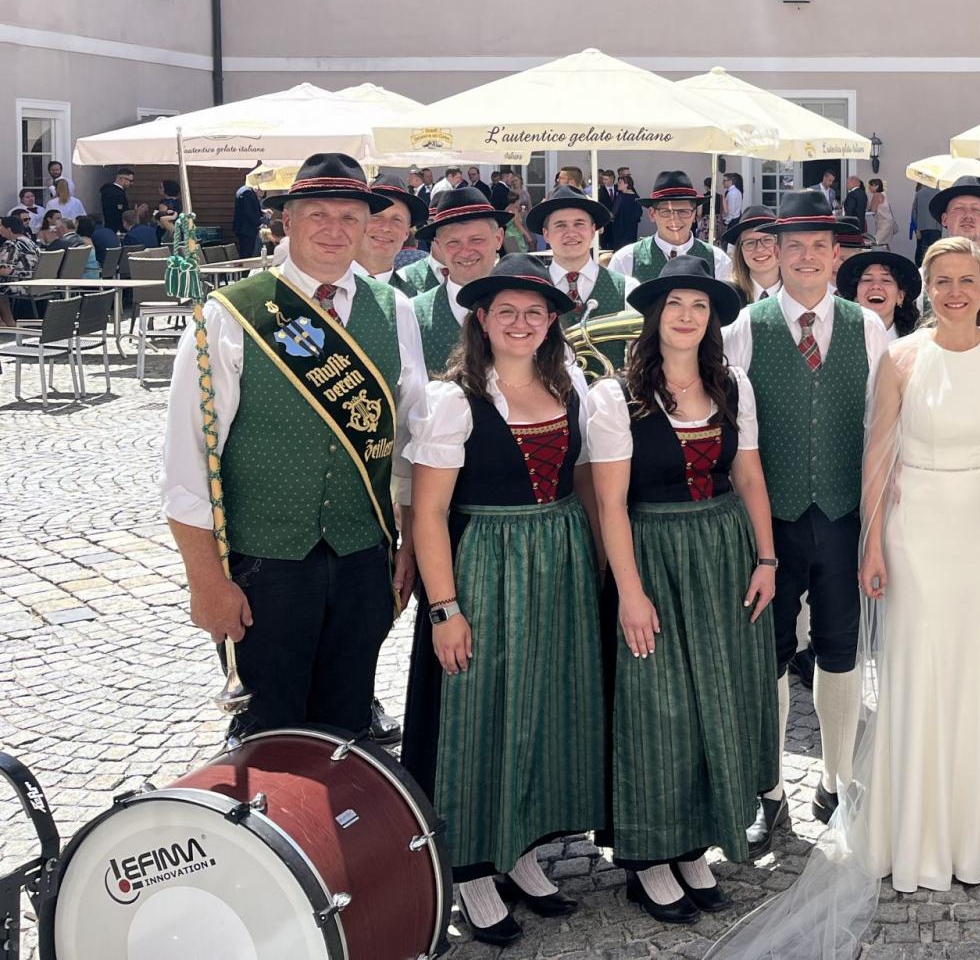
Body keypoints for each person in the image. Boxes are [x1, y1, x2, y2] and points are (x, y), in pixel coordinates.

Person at [159, 153, 428, 740]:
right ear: (286, 222)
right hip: (266, 562)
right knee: (269, 727)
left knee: (347, 725)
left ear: (366, 226)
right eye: (317, 215)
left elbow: (409, 441)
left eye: (349, 217)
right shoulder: (229, 316)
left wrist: (409, 544)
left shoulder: (395, 309)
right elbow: (188, 465)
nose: (335, 230)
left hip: (363, 557)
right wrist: (205, 580)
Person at [404, 254, 605, 947]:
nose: (520, 323)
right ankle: (469, 865)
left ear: (552, 322)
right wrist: (443, 608)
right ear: (481, 321)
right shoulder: (453, 399)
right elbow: (428, 513)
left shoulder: (572, 385)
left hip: (558, 561)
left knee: (541, 705)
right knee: (478, 708)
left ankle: (519, 846)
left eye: (534, 312)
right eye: (506, 312)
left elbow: (582, 482)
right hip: (484, 562)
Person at [584, 256, 779, 923]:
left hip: (725, 552)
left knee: (714, 700)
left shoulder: (733, 385)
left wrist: (767, 558)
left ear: (713, 318)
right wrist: (632, 595)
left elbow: (749, 478)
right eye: (675, 304)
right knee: (656, 705)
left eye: (699, 305)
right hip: (655, 554)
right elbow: (611, 504)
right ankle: (648, 856)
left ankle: (694, 839)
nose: (687, 316)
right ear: (653, 315)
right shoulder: (616, 396)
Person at [853, 237, 980, 890]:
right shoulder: (901, 358)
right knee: (923, 664)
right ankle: (916, 830)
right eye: (943, 281)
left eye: (968, 279)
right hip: (917, 527)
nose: (956, 291)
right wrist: (872, 542)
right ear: (926, 289)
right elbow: (877, 454)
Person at [722, 190, 890, 853]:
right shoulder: (744, 327)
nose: (807, 257)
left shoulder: (866, 327)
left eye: (819, 246)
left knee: (841, 648)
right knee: (767, 656)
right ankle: (770, 793)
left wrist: (876, 529)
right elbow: (738, 442)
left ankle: (837, 778)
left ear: (835, 254)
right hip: (773, 522)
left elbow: (880, 431)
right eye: (794, 246)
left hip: (844, 516)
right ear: (776, 255)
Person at [408, 186, 511, 376]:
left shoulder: (525, 305)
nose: (465, 251)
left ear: (498, 239)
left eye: (476, 240)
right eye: (453, 242)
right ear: (438, 246)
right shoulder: (412, 314)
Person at [531, 184, 632, 370]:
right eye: (560, 225)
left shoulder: (627, 288)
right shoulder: (530, 291)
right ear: (546, 234)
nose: (571, 233)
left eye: (579, 224)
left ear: (593, 231)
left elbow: (638, 356)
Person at [611, 170, 731, 283]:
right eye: (666, 211)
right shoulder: (626, 260)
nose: (675, 219)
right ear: (652, 214)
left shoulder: (718, 260)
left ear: (694, 214)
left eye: (683, 211)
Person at [837, 248, 922, 339]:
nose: (876, 286)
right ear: (856, 295)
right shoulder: (836, 339)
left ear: (900, 296)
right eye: (867, 280)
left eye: (886, 280)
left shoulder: (917, 343)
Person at [355, 176, 425, 281]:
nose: (385, 227)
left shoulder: (416, 294)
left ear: (406, 232)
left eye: (397, 220)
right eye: (376, 216)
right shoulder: (326, 285)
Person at [722, 205, 782, 306]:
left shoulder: (799, 294)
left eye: (767, 240)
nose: (759, 248)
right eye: (750, 243)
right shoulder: (727, 296)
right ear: (740, 251)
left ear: (781, 244)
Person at [930, 174, 980, 250]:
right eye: (959, 208)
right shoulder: (934, 260)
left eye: (975, 209)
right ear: (944, 219)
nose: (968, 215)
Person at [230, 175, 265, 258]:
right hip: (246, 230)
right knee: (247, 254)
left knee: (246, 252)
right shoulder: (247, 193)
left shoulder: (245, 190)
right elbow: (248, 213)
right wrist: (260, 223)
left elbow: (248, 209)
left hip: (244, 229)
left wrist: (262, 212)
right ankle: (246, 271)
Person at [610, 171, 644, 249]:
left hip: (620, 230)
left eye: (620, 182)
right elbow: (639, 214)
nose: (618, 184)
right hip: (631, 230)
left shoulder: (621, 197)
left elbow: (614, 212)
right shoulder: (636, 197)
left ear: (626, 184)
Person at [99, 168, 134, 236]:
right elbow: (121, 212)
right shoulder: (117, 194)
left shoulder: (109, 191)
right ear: (121, 178)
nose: (131, 183)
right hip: (118, 228)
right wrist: (134, 214)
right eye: (130, 180)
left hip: (109, 226)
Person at [866, 178, 894, 248]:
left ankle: (882, 257)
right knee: (884, 243)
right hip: (887, 223)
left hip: (884, 224)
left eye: (870, 186)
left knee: (876, 242)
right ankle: (888, 257)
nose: (869, 188)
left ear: (877, 186)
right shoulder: (883, 194)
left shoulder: (877, 195)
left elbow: (873, 209)